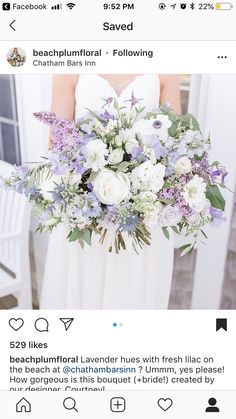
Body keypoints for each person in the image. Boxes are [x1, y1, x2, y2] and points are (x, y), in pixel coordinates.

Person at [40, 74, 181, 309]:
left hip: (143, 218)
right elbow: (57, 145)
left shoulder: (167, 69)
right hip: (85, 215)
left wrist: (144, 185)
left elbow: (174, 143)